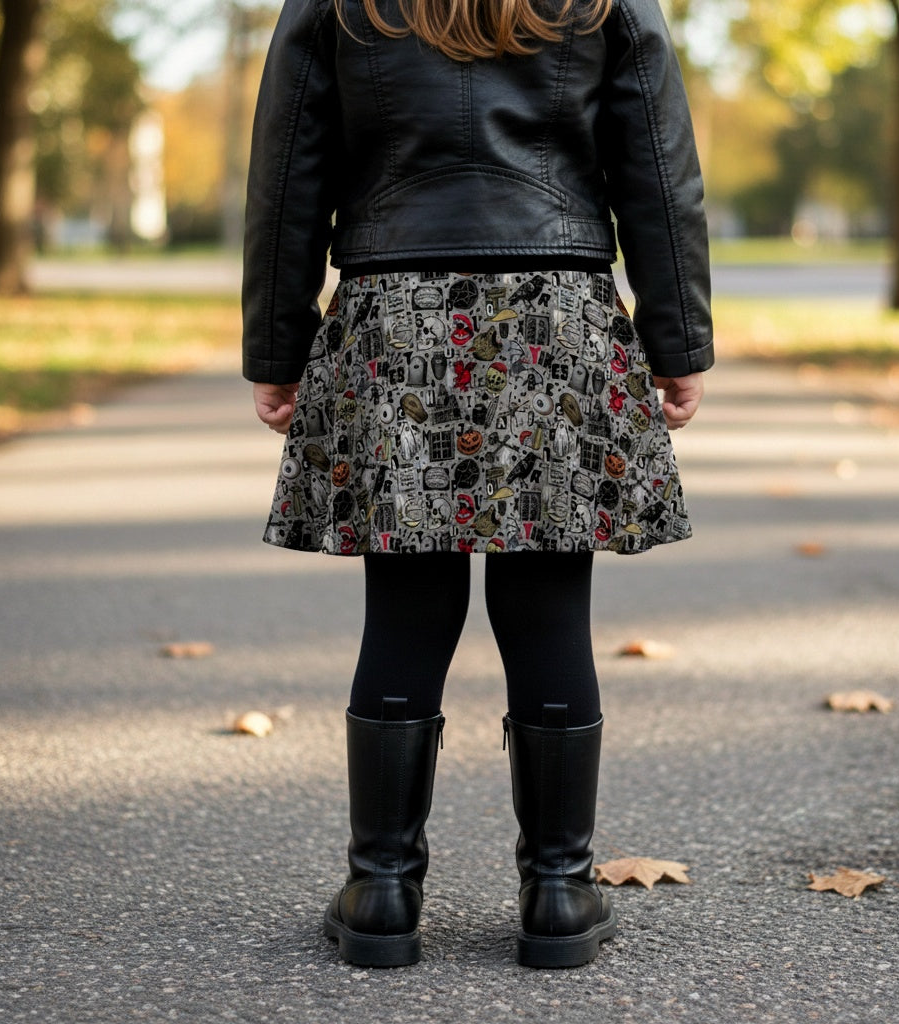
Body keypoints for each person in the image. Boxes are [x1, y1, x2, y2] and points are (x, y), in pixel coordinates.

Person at [242, 0, 712, 970]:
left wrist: (278, 344)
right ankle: (556, 893)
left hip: (392, 310)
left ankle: (380, 891)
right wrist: (677, 340)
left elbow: (288, 172)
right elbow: (658, 172)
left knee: (405, 606)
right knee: (548, 606)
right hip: (558, 311)